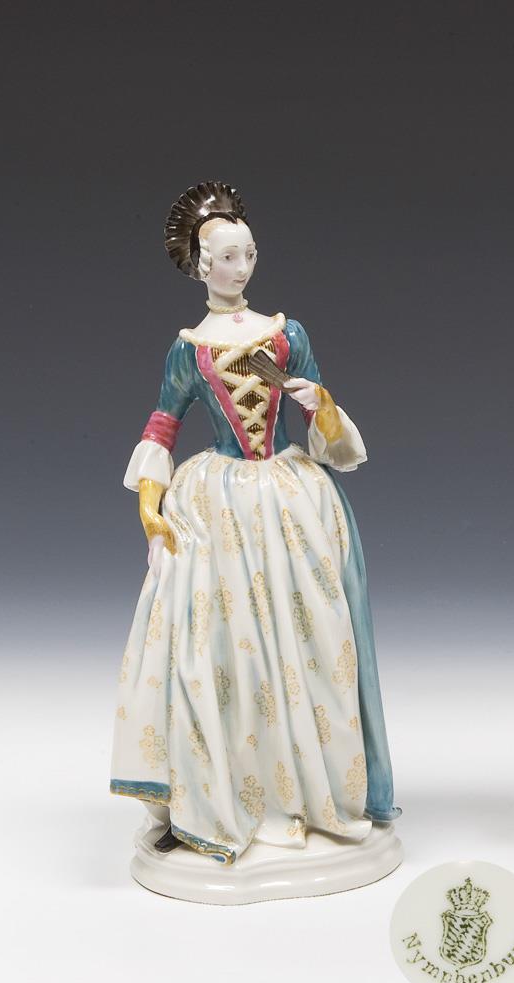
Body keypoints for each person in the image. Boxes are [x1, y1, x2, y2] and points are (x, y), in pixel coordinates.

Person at [110, 181, 398, 864]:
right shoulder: (189, 349)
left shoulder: (286, 334)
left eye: (249, 255)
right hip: (220, 502)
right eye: (227, 258)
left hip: (288, 496)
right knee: (221, 645)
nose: (240, 268)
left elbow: (326, 421)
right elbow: (163, 422)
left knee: (314, 636)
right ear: (201, 266)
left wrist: (318, 399)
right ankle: (235, 785)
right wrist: (149, 502)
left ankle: (309, 786)